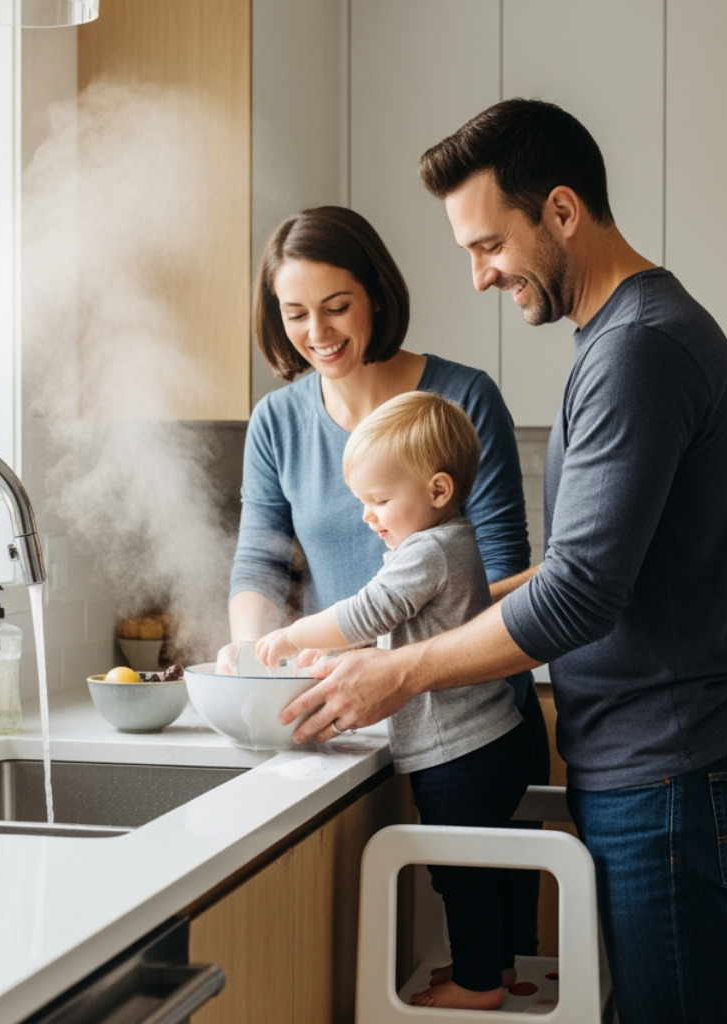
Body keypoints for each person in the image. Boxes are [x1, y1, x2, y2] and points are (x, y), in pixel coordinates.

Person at [278, 100, 727, 1024]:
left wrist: (397, 672)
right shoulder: (620, 336)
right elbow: (582, 570)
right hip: (665, 756)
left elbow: (580, 596)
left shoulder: (637, 347)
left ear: (560, 212)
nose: (478, 278)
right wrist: (444, 614)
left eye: (488, 246)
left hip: (674, 759)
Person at [226, 204, 552, 961]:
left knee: (489, 950)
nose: (319, 332)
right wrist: (255, 662)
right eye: (295, 312)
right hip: (350, 727)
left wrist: (398, 657)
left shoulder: (462, 399)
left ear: (376, 293)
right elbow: (259, 566)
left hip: (468, 723)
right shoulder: (276, 421)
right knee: (389, 961)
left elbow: (503, 576)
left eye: (337, 306)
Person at [256, 390, 530, 1010]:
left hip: (460, 750)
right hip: (493, 738)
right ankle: (498, 968)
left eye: (379, 501)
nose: (367, 517)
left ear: (437, 490)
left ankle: (479, 983)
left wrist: (293, 633)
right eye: (363, 502)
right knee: (486, 863)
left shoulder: (428, 550)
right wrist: (331, 661)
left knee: (456, 869)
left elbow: (368, 612)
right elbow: (401, 633)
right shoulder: (449, 541)